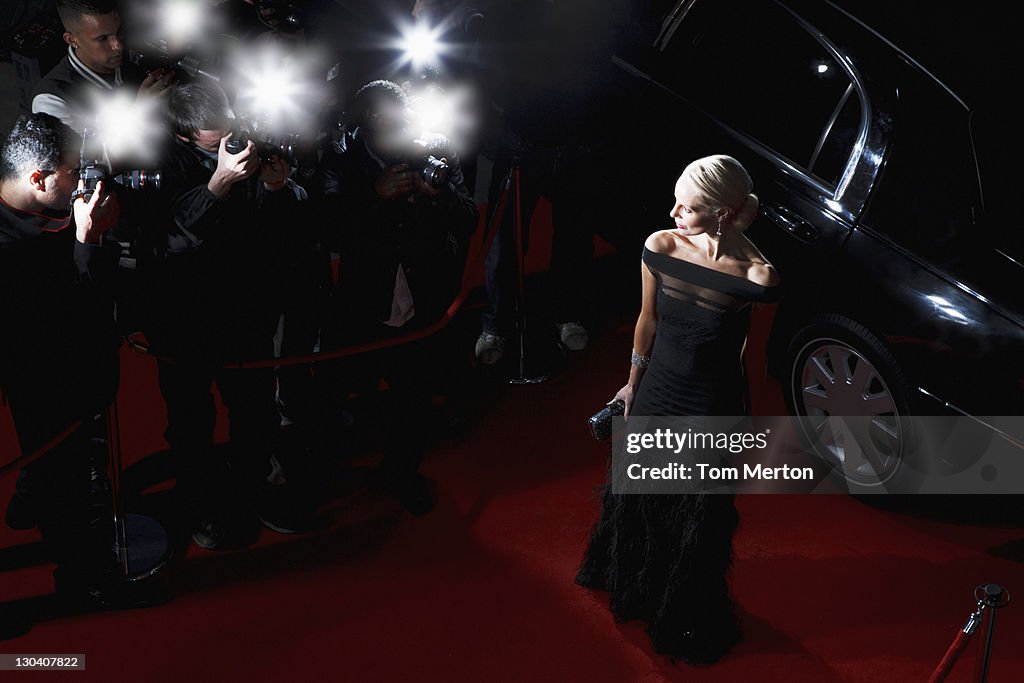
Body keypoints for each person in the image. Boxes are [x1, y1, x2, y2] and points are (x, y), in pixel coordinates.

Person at [576, 155, 780, 664]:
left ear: (722, 212)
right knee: (641, 498)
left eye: (686, 207)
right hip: (656, 392)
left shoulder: (758, 278)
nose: (672, 213)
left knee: (698, 517)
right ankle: (636, 585)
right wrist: (630, 387)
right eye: (674, 202)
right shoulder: (660, 246)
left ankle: (682, 612)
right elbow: (647, 321)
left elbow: (753, 358)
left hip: (710, 405)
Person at [145, 80, 307, 548]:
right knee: (191, 422)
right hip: (184, 319)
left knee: (255, 411)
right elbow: (169, 238)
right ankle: (202, 506)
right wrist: (218, 183)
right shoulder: (160, 159)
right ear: (184, 135)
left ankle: (257, 489)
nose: (226, 139)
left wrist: (276, 186)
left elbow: (285, 229)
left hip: (247, 311)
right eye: (212, 134)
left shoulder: (247, 145)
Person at [311, 79, 477, 515]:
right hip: (362, 299)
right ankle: (321, 476)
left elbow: (468, 219)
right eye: (386, 120)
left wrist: (440, 196)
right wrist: (374, 195)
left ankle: (401, 474)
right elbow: (328, 231)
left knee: (414, 397)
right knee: (334, 391)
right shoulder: (342, 159)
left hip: (424, 297)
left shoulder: (434, 150)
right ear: (367, 122)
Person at [0, 113, 122, 600]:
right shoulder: (11, 250)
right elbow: (75, 320)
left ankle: (30, 496)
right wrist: (89, 242)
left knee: (54, 467)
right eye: (73, 173)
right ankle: (81, 578)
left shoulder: (43, 210)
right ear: (37, 178)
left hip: (69, 374)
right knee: (62, 476)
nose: (83, 183)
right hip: (43, 380)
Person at [31, 0, 174, 133]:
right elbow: (82, 152)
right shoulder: (51, 100)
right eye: (103, 38)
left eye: (119, 31)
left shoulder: (136, 58)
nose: (118, 45)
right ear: (72, 40)